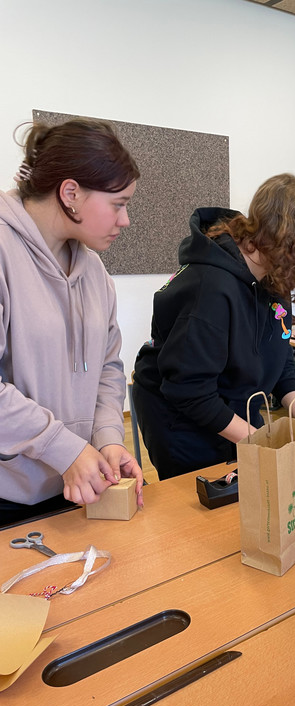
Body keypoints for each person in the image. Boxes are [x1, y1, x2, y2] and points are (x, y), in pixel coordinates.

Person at [133, 173, 295, 480]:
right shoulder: (210, 288)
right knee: (207, 512)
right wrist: (259, 442)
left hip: (232, 408)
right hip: (183, 423)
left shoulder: (273, 275)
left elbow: (280, 357)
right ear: (287, 243)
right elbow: (191, 391)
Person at [0, 118, 144, 524]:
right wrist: (63, 447)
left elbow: (108, 368)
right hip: (8, 497)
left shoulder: (94, 272)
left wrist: (108, 439)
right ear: (70, 193)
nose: (125, 220)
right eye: (118, 204)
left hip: (78, 486)